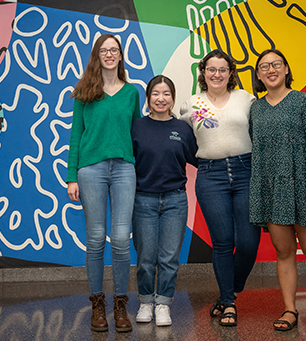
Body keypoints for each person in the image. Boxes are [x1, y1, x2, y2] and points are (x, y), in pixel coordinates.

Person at [249, 49, 306, 337]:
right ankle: (290, 309)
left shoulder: (305, 101)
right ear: (259, 75)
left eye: (276, 64)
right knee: (284, 252)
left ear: (287, 69)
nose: (270, 70)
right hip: (273, 189)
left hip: (304, 186)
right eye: (264, 66)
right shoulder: (256, 108)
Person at [179, 49, 261, 327]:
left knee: (248, 244)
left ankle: (233, 289)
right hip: (210, 177)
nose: (216, 74)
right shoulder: (191, 105)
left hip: (245, 172)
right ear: (202, 73)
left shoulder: (246, 99)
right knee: (223, 243)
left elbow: (258, 135)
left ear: (230, 73)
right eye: (211, 69)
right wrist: (204, 161)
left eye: (222, 69)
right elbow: (183, 141)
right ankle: (228, 303)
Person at [66, 33, 141, 333]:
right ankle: (97, 304)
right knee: (96, 238)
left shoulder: (132, 93)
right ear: (97, 56)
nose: (109, 54)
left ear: (121, 56)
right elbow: (75, 136)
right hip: (90, 170)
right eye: (103, 50)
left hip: (124, 169)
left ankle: (120, 305)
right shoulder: (85, 90)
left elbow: (138, 135)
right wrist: (72, 175)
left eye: (114, 50)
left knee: (121, 239)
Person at [131, 75, 198, 327]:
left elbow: (199, 159)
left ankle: (163, 304)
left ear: (173, 98)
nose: (161, 98)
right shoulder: (136, 126)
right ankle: (146, 301)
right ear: (148, 98)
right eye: (156, 94)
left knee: (169, 258)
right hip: (143, 201)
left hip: (175, 201)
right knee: (146, 257)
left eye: (166, 93)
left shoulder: (182, 129)